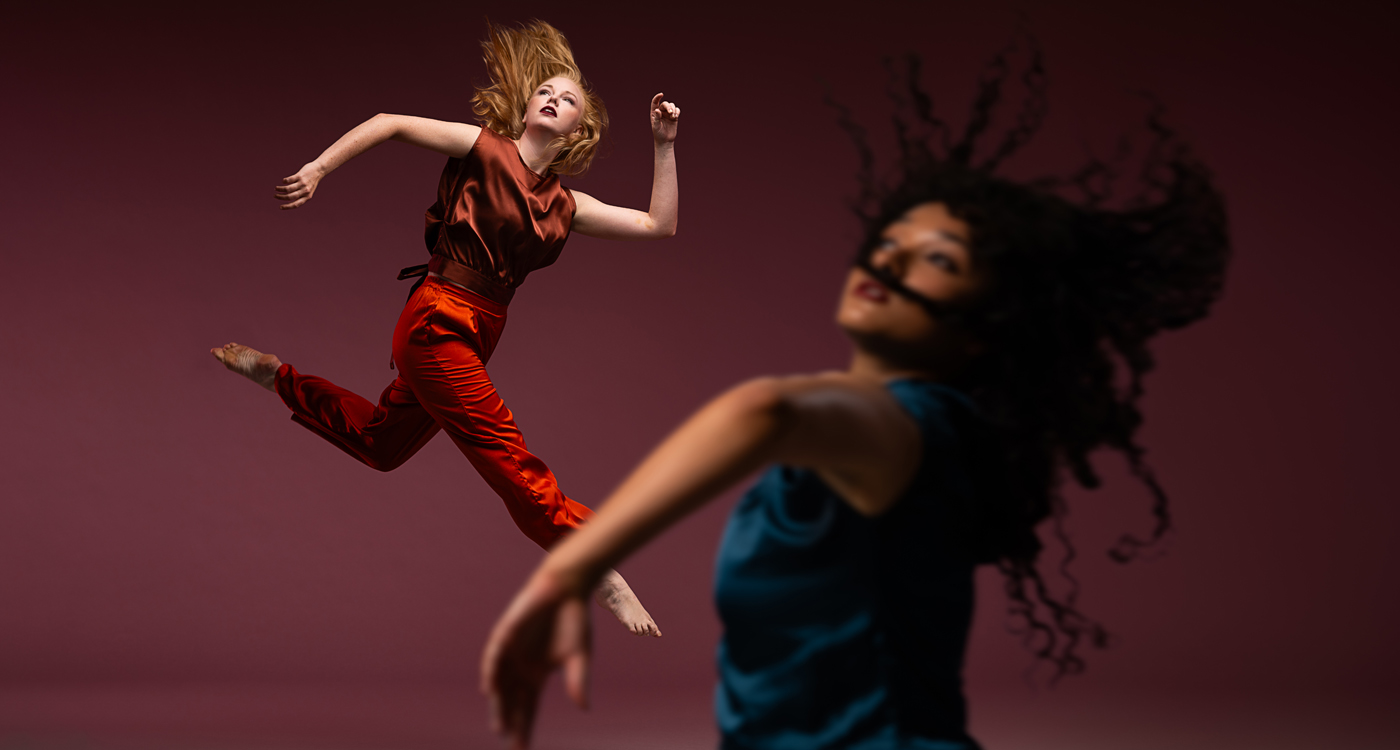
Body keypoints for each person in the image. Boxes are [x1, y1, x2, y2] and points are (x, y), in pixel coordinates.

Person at [480, 46, 1230, 749]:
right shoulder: (886, 427)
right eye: (891, 242)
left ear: (986, 319)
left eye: (938, 259)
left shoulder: (906, 423)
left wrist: (575, 571)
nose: (893, 257)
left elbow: (768, 411)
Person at [210, 20, 680, 636]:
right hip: (437, 318)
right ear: (529, 104)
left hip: (479, 331)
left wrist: (664, 143)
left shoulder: (570, 206)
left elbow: (658, 226)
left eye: (567, 100)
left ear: (576, 132)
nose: (552, 98)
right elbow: (391, 122)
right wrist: (319, 168)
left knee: (382, 446)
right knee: (510, 460)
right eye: (546, 89)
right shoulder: (484, 148)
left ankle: (276, 376)